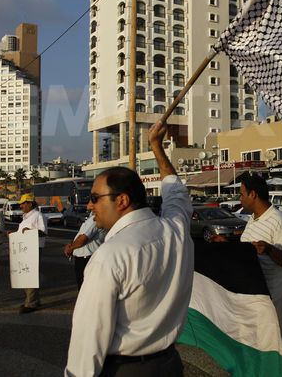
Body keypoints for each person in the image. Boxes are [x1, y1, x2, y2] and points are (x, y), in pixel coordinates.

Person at [65, 121, 193, 377]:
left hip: (126, 370)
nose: (90, 207)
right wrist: (157, 147)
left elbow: (89, 337)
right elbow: (176, 192)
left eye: (94, 198)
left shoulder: (109, 256)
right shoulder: (176, 231)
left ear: (121, 200)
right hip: (170, 365)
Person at [238, 174, 282, 353]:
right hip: (253, 296)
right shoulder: (253, 219)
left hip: (272, 298)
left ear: (253, 194)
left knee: (274, 348)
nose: (239, 198)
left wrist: (269, 250)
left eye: (241, 194)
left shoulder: (278, 221)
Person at [14, 193, 46, 313]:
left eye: (23, 203)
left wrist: (30, 231)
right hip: (25, 249)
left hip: (34, 249)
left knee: (30, 275)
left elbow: (43, 232)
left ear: (30, 203)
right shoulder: (26, 217)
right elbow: (22, 232)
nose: (21, 206)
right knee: (26, 274)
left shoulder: (38, 215)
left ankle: (31, 303)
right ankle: (33, 300)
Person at [63, 212, 106, 289]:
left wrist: (70, 248)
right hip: (83, 257)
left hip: (86, 258)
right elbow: (80, 235)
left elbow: (83, 238)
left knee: (85, 287)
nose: (88, 205)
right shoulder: (91, 217)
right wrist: (71, 244)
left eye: (91, 201)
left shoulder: (96, 219)